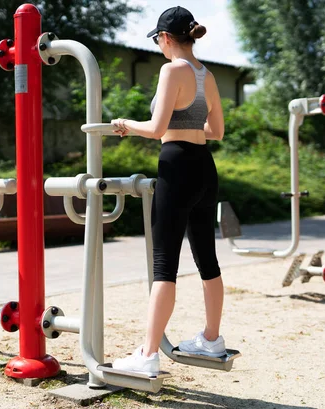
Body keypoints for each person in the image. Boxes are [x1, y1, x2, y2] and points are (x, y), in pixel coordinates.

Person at [111, 6, 226, 376]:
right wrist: (189, 127)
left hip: (176, 166)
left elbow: (158, 127)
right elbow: (217, 131)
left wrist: (125, 123)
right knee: (207, 260)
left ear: (164, 38)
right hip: (204, 167)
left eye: (158, 40)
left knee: (164, 265)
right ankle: (211, 340)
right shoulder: (205, 74)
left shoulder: (171, 69)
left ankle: (147, 355)